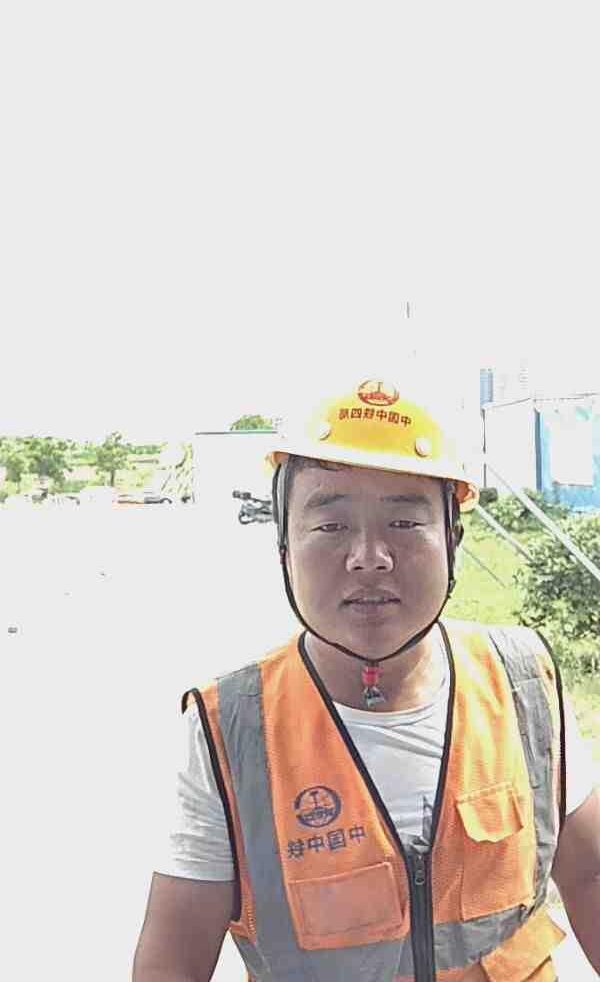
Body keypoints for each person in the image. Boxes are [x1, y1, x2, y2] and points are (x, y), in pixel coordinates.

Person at [133, 378, 600, 982]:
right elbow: (173, 959)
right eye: (331, 527)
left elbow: (589, 872)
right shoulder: (233, 727)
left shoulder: (520, 680)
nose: (369, 556)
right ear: (283, 546)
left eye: (404, 523)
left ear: (453, 540)